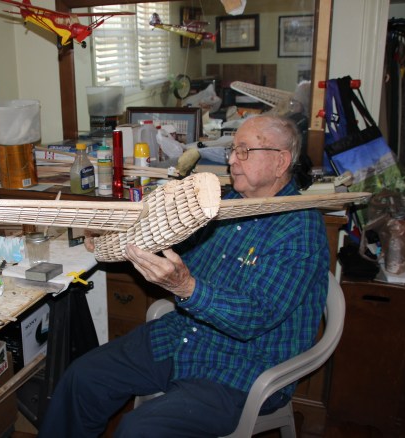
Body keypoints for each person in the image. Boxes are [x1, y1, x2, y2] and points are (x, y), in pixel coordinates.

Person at [38, 114, 329, 437]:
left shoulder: (299, 229)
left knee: (139, 430)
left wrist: (185, 286)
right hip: (184, 335)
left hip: (242, 366)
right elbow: (171, 244)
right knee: (82, 378)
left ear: (280, 162)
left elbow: (255, 317)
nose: (232, 160)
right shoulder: (223, 204)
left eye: (244, 151)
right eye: (233, 150)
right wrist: (112, 234)